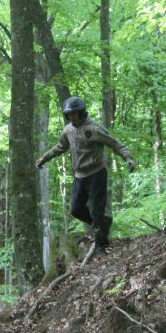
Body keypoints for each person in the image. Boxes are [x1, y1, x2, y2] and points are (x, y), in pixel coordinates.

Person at [36, 96, 136, 255]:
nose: (72, 117)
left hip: (97, 174)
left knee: (96, 211)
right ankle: (103, 222)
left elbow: (114, 143)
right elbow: (59, 147)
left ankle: (101, 246)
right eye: (69, 114)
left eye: (74, 114)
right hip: (79, 175)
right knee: (75, 209)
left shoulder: (95, 128)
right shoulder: (68, 130)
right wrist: (43, 159)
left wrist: (128, 158)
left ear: (81, 112)